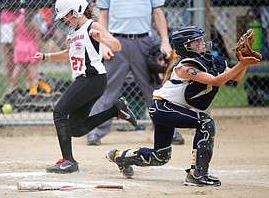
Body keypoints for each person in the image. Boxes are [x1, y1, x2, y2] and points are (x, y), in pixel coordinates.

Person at [105, 26, 260, 186]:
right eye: (196, 42)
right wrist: (241, 63)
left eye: (201, 40)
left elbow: (236, 77)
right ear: (185, 47)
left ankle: (120, 156)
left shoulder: (211, 61)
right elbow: (216, 81)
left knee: (160, 157)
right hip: (162, 107)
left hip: (167, 109)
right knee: (205, 122)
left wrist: (244, 61)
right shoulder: (185, 67)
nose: (202, 44)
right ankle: (197, 174)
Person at [32, 0, 138, 174]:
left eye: (68, 15)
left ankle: (68, 161)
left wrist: (102, 38)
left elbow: (117, 45)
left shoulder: (92, 26)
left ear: (78, 10)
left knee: (59, 112)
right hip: (88, 80)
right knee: (76, 128)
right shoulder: (72, 33)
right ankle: (116, 109)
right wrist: (45, 56)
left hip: (92, 78)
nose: (65, 20)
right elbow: (69, 54)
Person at [86, 0, 173, 146]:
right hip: (116, 42)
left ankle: (167, 130)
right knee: (108, 88)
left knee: (154, 89)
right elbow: (103, 15)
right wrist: (103, 43)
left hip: (143, 41)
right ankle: (96, 131)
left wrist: (165, 41)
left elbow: (158, 13)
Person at [8, 8, 41, 92]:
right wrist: (38, 48)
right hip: (31, 46)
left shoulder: (17, 22)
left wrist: (15, 46)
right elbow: (38, 38)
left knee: (18, 67)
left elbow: (14, 36)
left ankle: (11, 86)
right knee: (32, 67)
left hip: (20, 46)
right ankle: (35, 85)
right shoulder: (34, 23)